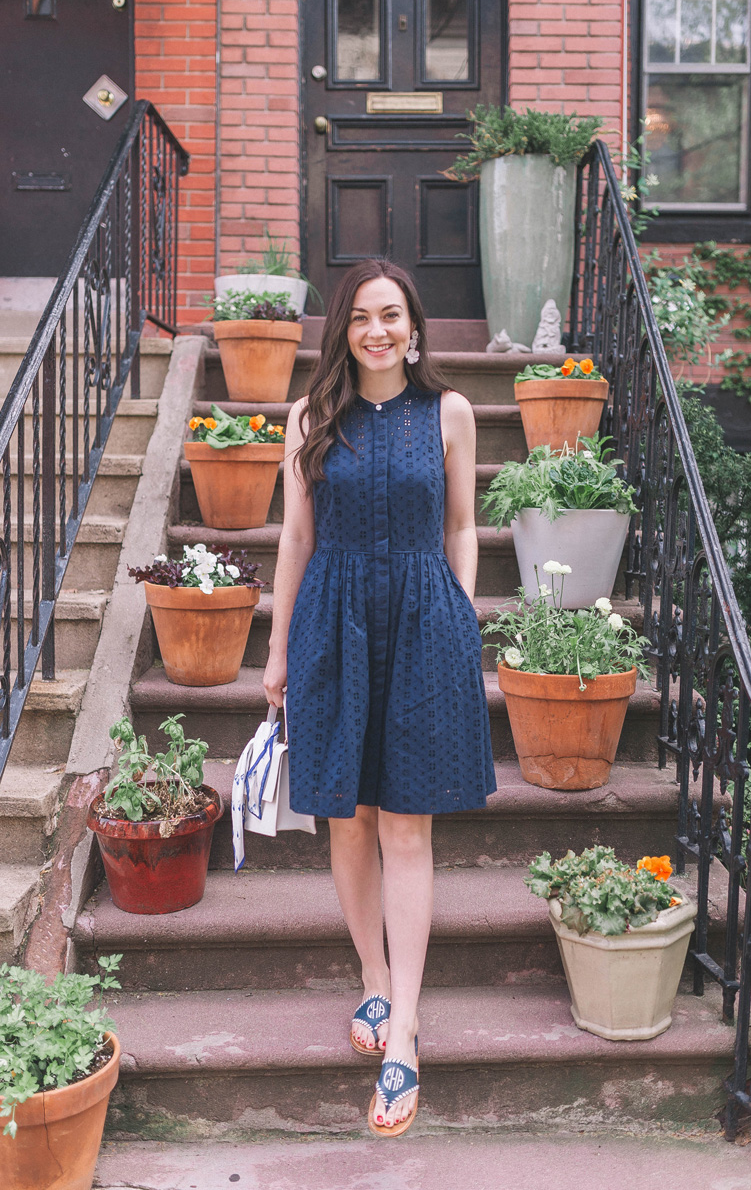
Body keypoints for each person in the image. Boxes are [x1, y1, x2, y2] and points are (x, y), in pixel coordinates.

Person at [262, 258, 496, 1137]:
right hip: (332, 624)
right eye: (360, 317)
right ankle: (371, 977)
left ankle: (404, 1031)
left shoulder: (451, 414)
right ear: (342, 331)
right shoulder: (312, 415)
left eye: (391, 315)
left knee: (406, 824)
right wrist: (280, 649)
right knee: (349, 819)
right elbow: (295, 540)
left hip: (422, 625)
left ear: (415, 325)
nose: (377, 331)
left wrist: (460, 612)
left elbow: (464, 526)